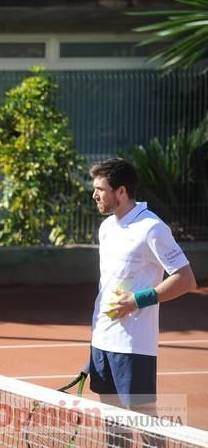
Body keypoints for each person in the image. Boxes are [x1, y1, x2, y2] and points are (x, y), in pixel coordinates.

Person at [88, 158, 196, 447]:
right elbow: (107, 287)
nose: (94, 195)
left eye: (100, 189)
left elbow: (186, 279)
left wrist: (137, 299)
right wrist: (97, 338)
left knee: (144, 421)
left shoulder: (152, 229)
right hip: (103, 341)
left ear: (121, 191)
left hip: (134, 345)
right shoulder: (106, 228)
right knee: (112, 423)